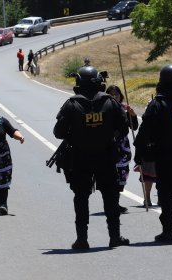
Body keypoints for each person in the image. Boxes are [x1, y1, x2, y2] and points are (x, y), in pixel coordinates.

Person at [54, 66, 130, 249]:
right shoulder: (110, 102)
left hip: (80, 158)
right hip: (106, 156)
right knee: (110, 197)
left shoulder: (71, 104)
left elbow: (59, 132)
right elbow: (124, 128)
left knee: (81, 198)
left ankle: (82, 239)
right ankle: (115, 237)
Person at [134, 64, 172, 242]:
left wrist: (139, 152)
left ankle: (168, 231)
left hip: (166, 159)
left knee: (167, 195)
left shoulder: (158, 104)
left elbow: (145, 132)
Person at [106, 85, 138, 213]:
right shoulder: (104, 109)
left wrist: (133, 115)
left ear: (120, 96)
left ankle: (115, 203)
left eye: (117, 94)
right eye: (111, 94)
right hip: (109, 147)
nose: (114, 96)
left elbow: (134, 127)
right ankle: (112, 204)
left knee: (122, 176)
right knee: (110, 176)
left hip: (123, 149)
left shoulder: (124, 110)